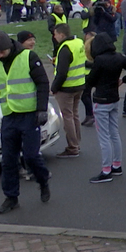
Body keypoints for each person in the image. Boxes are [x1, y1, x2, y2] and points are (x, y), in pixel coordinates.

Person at [0, 32, 51, 214]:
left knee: (30, 156)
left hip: (29, 116)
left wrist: (41, 109)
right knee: (8, 161)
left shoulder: (28, 57)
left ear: (10, 47)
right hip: (10, 117)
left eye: (2, 52)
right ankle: (11, 197)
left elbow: (42, 84)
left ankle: (43, 180)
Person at [85, 33, 126, 183]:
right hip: (114, 99)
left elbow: (91, 81)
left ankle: (106, 170)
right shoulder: (119, 57)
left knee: (104, 137)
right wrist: (123, 80)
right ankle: (117, 165)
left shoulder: (99, 60)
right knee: (114, 133)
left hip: (101, 100)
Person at [51, 23, 86, 158]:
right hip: (79, 84)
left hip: (67, 87)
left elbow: (62, 73)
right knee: (75, 115)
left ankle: (72, 147)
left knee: (67, 117)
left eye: (55, 34)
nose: (54, 37)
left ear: (61, 34)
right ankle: (77, 142)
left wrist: (54, 88)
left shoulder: (64, 48)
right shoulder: (78, 42)